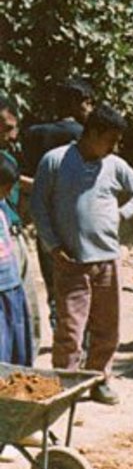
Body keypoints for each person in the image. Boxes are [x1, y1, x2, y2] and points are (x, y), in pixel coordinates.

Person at [30, 104, 133, 405]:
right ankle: (64, 387)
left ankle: (100, 380)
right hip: (71, 261)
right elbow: (39, 207)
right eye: (111, 139)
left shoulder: (114, 164)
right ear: (93, 133)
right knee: (70, 330)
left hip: (107, 259)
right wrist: (53, 246)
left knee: (107, 328)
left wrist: (122, 214)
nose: (115, 146)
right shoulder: (55, 161)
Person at [21, 77, 94, 332]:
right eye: (87, 102)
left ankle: (61, 332)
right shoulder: (85, 137)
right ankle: (79, 340)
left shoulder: (34, 135)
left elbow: (22, 178)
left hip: (46, 219)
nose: (90, 108)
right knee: (83, 280)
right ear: (76, 103)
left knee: (54, 280)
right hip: (80, 217)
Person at [0, 94, 41, 351]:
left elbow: (18, 183)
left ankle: (26, 374)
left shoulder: (8, 158)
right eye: (7, 128)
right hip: (4, 247)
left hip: (16, 237)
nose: (13, 135)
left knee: (25, 311)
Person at [0, 154, 33, 365]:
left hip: (12, 286)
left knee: (16, 347)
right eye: (4, 188)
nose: (6, 194)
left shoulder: (2, 208)